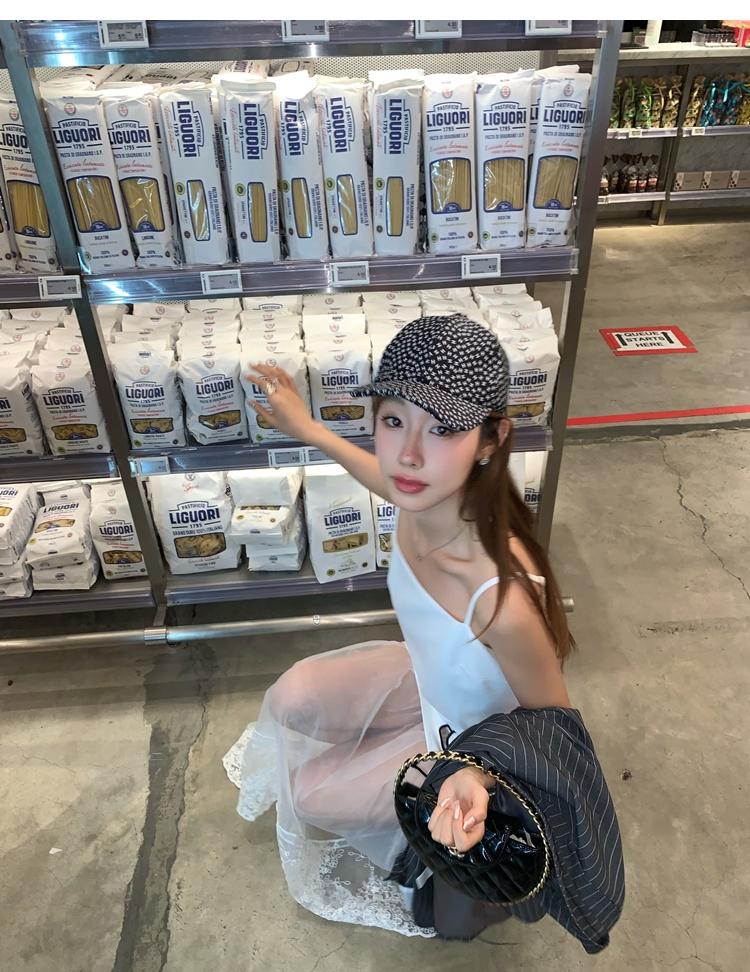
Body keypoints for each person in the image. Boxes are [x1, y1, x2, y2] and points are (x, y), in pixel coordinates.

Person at [223, 313, 574, 939]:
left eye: (443, 428)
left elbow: (557, 727)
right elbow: (380, 473)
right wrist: (307, 428)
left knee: (310, 794)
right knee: (290, 699)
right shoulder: (424, 493)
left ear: (491, 439)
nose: (409, 454)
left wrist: (479, 773)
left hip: (477, 740)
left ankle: (432, 860)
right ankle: (394, 782)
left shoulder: (500, 599)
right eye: (394, 420)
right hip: (428, 681)